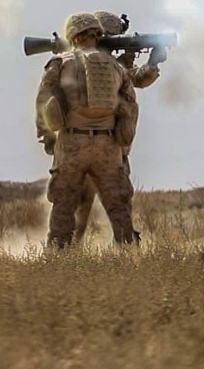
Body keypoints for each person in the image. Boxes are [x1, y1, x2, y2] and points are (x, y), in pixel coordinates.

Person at [35, 12, 139, 248]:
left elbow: (44, 100)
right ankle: (129, 255)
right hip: (108, 146)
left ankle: (57, 259)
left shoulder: (60, 62)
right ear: (96, 35)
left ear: (73, 35)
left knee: (64, 203)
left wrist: (47, 137)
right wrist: (122, 140)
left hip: (72, 143)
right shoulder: (116, 66)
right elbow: (130, 104)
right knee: (118, 205)